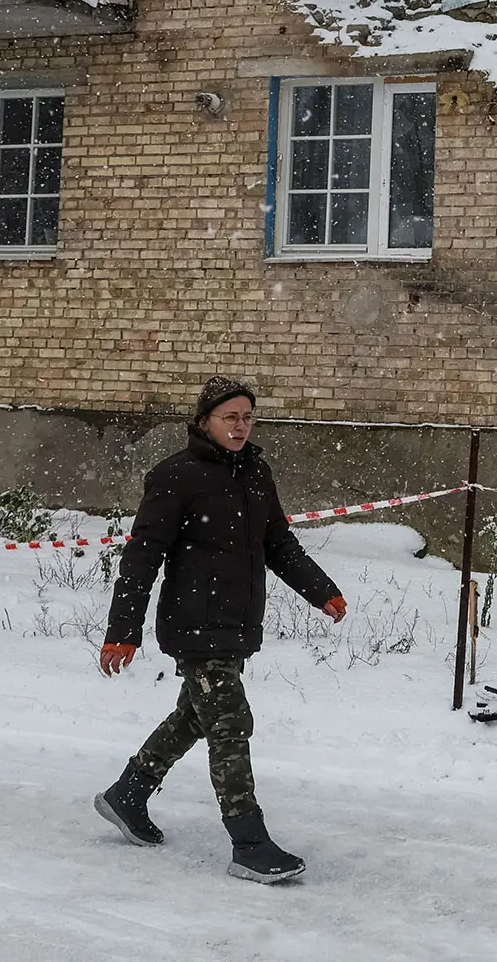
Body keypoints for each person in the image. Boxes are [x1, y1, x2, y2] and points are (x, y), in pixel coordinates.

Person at [93, 376, 348, 884]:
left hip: (237, 622)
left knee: (195, 716)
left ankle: (128, 794)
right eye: (230, 416)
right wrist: (123, 629)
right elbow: (141, 558)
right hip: (193, 623)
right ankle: (248, 842)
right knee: (230, 722)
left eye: (247, 417)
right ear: (204, 420)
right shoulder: (176, 476)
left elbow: (279, 545)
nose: (240, 426)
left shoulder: (256, 472)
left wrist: (322, 590)